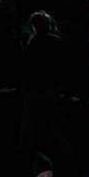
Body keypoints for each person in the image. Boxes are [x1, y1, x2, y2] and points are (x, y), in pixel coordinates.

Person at [20, 11, 70, 162]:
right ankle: (66, 152)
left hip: (33, 89)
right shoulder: (56, 41)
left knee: (28, 123)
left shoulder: (31, 44)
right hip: (51, 88)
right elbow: (63, 65)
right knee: (56, 122)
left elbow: (26, 68)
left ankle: (24, 152)